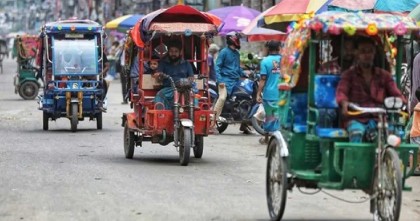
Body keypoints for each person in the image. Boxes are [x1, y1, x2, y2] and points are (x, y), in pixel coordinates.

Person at [336, 36, 405, 143]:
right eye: (363, 51)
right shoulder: (348, 75)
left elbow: (396, 93)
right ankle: (355, 160)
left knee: (394, 134)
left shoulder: (384, 75)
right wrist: (344, 103)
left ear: (374, 53)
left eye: (370, 51)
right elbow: (341, 92)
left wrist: (403, 103)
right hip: (357, 118)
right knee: (356, 133)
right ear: (356, 53)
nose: (367, 55)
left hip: (379, 117)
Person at [215, 31, 251, 134]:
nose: (239, 41)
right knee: (222, 98)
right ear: (232, 40)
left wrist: (245, 73)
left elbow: (238, 68)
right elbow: (217, 66)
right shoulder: (224, 52)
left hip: (236, 80)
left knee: (246, 97)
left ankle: (244, 125)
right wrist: (220, 80)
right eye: (238, 39)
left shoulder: (237, 54)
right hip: (225, 81)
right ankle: (212, 122)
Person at [153, 40, 194, 109]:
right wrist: (158, 75)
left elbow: (191, 77)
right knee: (160, 95)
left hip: (184, 88)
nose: (173, 54)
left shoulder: (186, 63)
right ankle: (160, 115)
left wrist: (189, 80)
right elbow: (158, 75)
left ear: (180, 52)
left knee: (194, 97)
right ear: (168, 52)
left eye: (176, 51)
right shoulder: (163, 63)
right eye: (171, 51)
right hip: (168, 89)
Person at [256, 41, 282, 144]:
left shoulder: (265, 61)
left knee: (269, 116)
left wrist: (258, 93)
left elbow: (263, 79)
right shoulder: (284, 60)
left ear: (268, 49)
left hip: (269, 94)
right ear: (279, 48)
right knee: (280, 116)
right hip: (283, 93)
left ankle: (267, 139)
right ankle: (280, 138)